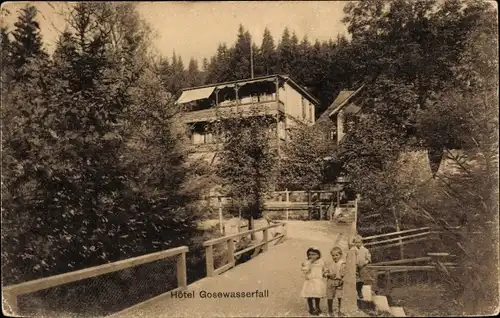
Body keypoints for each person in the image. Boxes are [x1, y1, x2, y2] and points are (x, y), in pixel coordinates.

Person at [301, 246, 327, 315]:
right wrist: (309, 263)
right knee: (309, 295)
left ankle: (317, 307)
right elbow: (305, 270)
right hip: (310, 281)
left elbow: (324, 269)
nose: (311, 256)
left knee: (317, 295)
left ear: (318, 255)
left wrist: (325, 273)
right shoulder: (306, 262)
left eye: (313, 254)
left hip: (318, 281)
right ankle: (311, 308)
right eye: (309, 254)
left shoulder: (321, 261)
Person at [324, 246, 346, 316]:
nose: (335, 257)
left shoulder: (343, 263)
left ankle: (340, 310)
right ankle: (330, 311)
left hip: (339, 282)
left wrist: (342, 279)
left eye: (337, 255)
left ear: (340, 255)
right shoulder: (329, 263)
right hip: (330, 281)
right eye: (333, 255)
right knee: (330, 296)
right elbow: (324, 272)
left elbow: (346, 273)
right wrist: (328, 274)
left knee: (340, 296)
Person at [352, 235, 371, 299]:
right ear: (354, 243)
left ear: (361, 242)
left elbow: (368, 259)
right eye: (356, 242)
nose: (357, 244)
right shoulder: (352, 249)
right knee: (357, 278)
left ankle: (359, 289)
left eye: (359, 242)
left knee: (362, 279)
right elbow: (350, 258)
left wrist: (365, 263)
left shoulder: (365, 250)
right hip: (355, 266)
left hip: (362, 266)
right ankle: (358, 290)